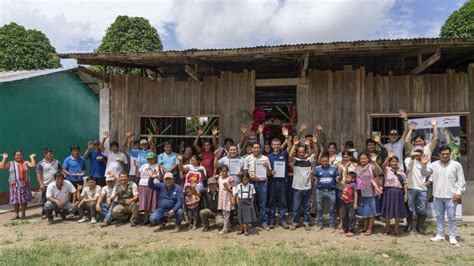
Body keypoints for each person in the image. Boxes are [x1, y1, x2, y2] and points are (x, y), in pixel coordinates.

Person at [421, 146, 466, 246]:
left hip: (451, 196)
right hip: (437, 195)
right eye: (443, 154)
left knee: (451, 217)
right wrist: (423, 165)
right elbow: (424, 174)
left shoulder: (456, 165)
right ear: (439, 155)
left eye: (447, 154)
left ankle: (452, 236)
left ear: (450, 154)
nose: (445, 156)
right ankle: (440, 235)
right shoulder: (434, 165)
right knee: (439, 216)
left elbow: (461, 180)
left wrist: (458, 193)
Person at [288, 136, 318, 231]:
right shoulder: (295, 161)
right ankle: (295, 222)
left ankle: (306, 222)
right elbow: (290, 156)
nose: (301, 153)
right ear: (298, 152)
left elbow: (315, 153)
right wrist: (294, 145)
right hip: (297, 188)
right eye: (299, 152)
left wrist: (311, 145)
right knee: (296, 207)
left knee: (307, 207)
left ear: (305, 152)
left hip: (307, 187)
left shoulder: (309, 161)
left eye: (303, 152)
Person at [243, 142, 272, 230]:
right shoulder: (248, 158)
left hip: (262, 183)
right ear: (252, 149)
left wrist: (267, 167)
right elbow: (245, 172)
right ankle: (251, 222)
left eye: (258, 148)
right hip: (251, 183)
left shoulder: (265, 158)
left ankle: (264, 222)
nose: (256, 149)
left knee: (262, 203)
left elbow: (269, 174)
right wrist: (250, 177)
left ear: (260, 149)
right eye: (254, 148)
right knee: (251, 203)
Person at [267, 127, 291, 229]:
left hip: (283, 181)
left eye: (278, 144)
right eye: (274, 145)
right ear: (272, 146)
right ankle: (272, 220)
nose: (276, 146)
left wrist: (286, 137)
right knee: (272, 201)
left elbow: (290, 147)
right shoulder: (268, 156)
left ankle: (282, 220)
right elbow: (267, 171)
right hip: (272, 182)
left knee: (282, 201)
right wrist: (270, 172)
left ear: (279, 145)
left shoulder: (284, 153)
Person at [0, 151, 36, 220]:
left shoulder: (26, 162)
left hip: (24, 185)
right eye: (17, 155)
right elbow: (1, 167)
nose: (19, 156)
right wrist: (4, 158)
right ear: (14, 156)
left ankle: (23, 214)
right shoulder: (10, 163)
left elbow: (33, 165)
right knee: (15, 201)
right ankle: (16, 214)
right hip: (14, 186)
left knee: (23, 201)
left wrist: (32, 158)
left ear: (22, 156)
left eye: (20, 155)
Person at [355, 152, 383, 236]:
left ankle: (370, 228)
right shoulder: (357, 168)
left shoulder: (371, 166)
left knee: (370, 210)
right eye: (361, 159)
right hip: (361, 191)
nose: (363, 160)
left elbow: (379, 172)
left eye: (365, 158)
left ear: (368, 159)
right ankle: (365, 227)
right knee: (364, 210)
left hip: (370, 191)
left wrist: (374, 162)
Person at [381, 152, 408, 237]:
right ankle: (388, 229)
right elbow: (383, 166)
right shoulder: (387, 170)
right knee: (387, 212)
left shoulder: (401, 172)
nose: (394, 163)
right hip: (388, 192)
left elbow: (405, 184)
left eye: (396, 161)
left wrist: (405, 194)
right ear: (390, 162)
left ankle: (396, 230)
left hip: (398, 193)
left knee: (397, 212)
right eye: (392, 161)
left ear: (398, 162)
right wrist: (388, 157)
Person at [404, 146, 429, 234]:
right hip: (410, 187)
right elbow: (408, 168)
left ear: (422, 153)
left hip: (422, 188)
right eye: (416, 152)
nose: (418, 154)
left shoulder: (425, 161)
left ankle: (420, 226)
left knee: (422, 208)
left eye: (420, 152)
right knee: (409, 208)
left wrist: (424, 164)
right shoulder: (408, 160)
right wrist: (412, 158)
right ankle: (409, 225)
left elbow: (426, 173)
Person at [314, 152, 340, 232]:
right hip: (320, 191)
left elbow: (338, 178)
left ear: (329, 160)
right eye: (323, 161)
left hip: (331, 191)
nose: (325, 163)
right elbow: (314, 178)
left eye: (326, 161)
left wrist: (341, 173)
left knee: (332, 209)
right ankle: (319, 224)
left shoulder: (334, 168)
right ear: (320, 161)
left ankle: (332, 225)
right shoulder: (317, 168)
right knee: (319, 209)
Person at [36, 148, 62, 219]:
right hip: (46, 185)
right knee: (45, 199)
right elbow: (38, 174)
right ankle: (44, 213)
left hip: (56, 184)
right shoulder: (41, 163)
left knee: (57, 198)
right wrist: (41, 184)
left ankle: (57, 212)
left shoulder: (57, 162)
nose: (51, 155)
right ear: (45, 155)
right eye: (49, 154)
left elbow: (61, 171)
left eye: (52, 153)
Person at [336, 150, 358, 230]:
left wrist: (348, 167)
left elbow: (356, 176)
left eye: (347, 157)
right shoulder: (339, 165)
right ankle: (342, 222)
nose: (345, 158)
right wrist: (342, 170)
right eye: (344, 157)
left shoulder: (355, 165)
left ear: (350, 157)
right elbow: (338, 178)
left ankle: (350, 224)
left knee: (350, 206)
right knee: (342, 206)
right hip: (341, 188)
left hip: (351, 189)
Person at [136, 151, 159, 226]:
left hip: (153, 185)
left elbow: (160, 177)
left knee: (153, 202)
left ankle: (153, 219)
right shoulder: (143, 166)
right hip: (143, 185)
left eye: (151, 159)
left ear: (154, 159)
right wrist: (136, 166)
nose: (150, 160)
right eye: (148, 159)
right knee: (145, 203)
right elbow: (137, 174)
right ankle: (146, 219)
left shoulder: (157, 166)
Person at [217, 165, 234, 234]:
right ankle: (228, 227)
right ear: (220, 171)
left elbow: (233, 190)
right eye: (223, 171)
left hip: (227, 197)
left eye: (225, 171)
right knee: (224, 213)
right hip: (221, 197)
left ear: (228, 171)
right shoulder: (219, 178)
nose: (224, 173)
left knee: (226, 213)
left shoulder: (230, 178)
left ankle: (225, 229)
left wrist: (227, 188)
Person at [341, 172, 358, 237]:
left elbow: (356, 194)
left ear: (353, 179)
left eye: (348, 177)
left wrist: (355, 203)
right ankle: (345, 229)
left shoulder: (353, 185)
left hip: (351, 203)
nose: (346, 178)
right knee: (344, 216)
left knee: (352, 217)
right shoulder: (345, 183)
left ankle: (351, 230)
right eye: (346, 177)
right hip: (344, 202)